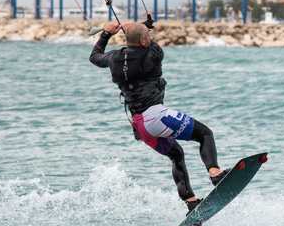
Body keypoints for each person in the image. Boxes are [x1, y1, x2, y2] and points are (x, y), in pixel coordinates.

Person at [89, 18, 227, 214]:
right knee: (204, 134)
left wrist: (106, 34)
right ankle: (216, 174)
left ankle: (190, 202)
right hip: (155, 116)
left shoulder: (113, 58)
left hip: (140, 126)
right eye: (148, 36)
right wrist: (136, 29)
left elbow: (95, 56)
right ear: (143, 41)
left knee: (176, 155)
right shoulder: (153, 54)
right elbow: (152, 46)